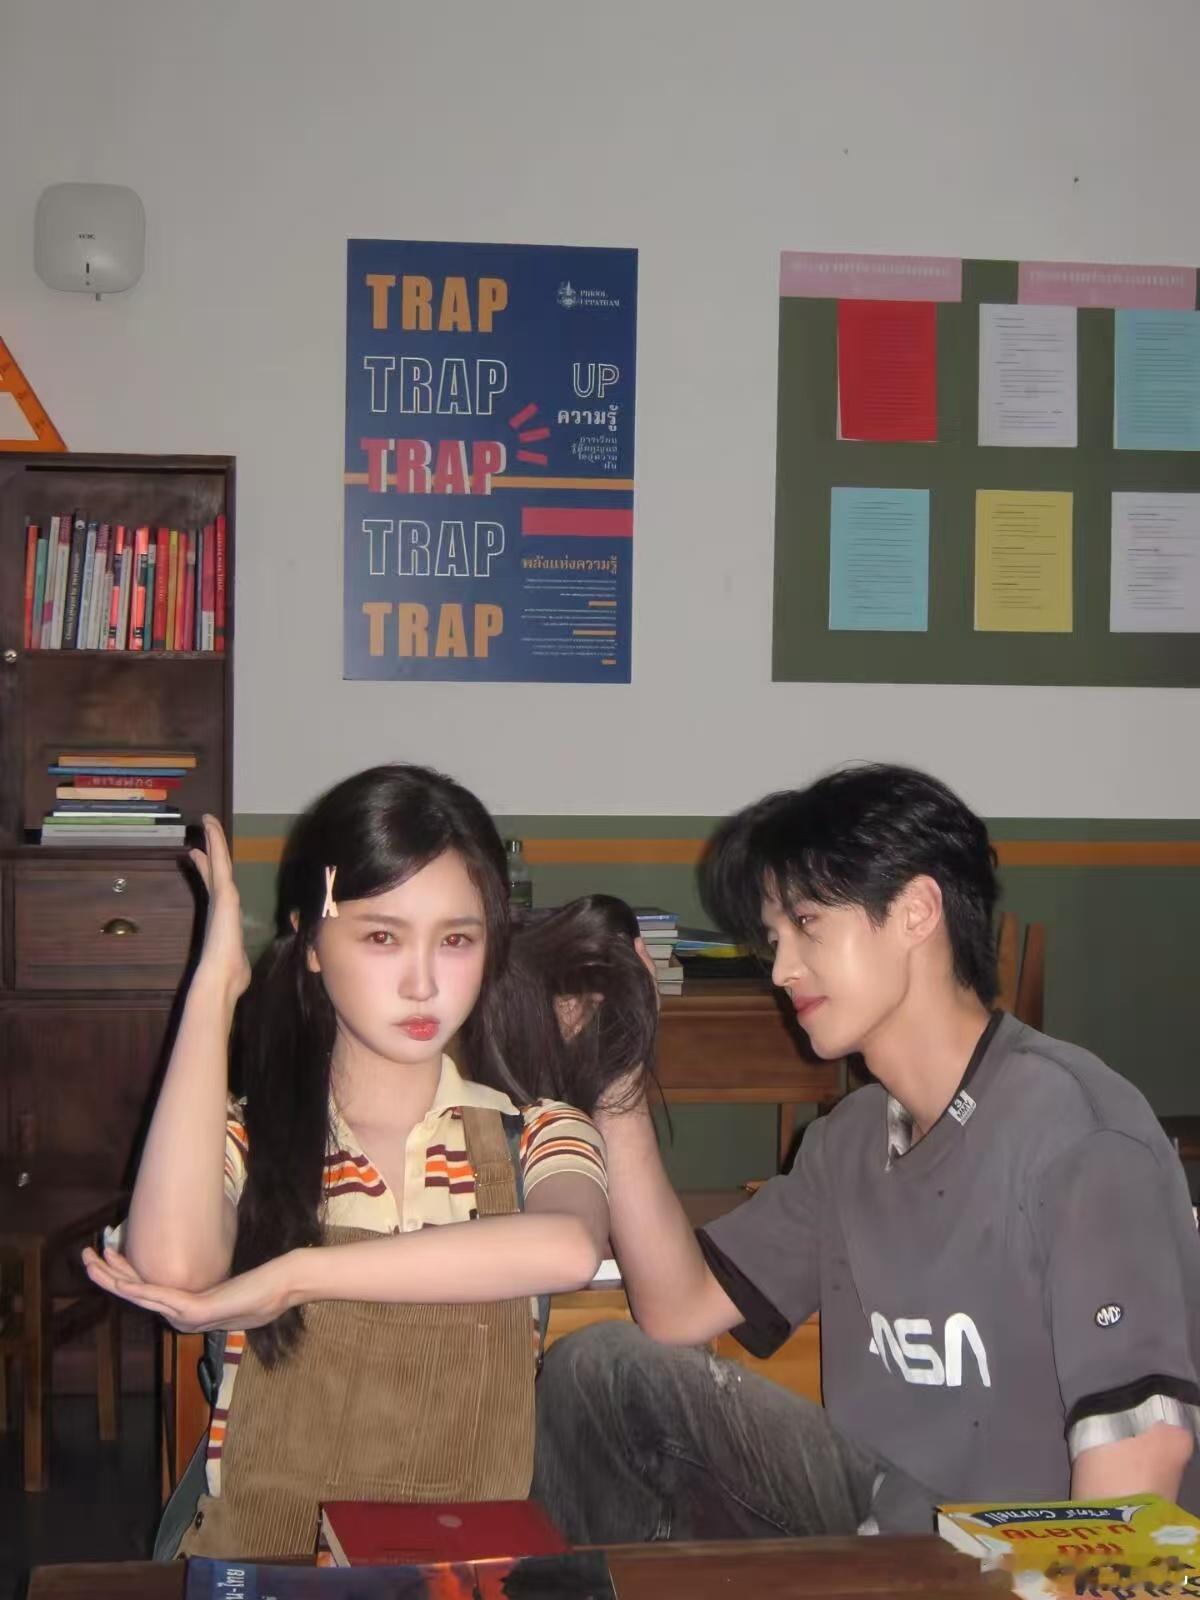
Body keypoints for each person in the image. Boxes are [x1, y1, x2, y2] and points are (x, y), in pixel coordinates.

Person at [532, 764, 1200, 1541]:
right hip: (886, 1519)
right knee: (599, 1373)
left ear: (916, 911)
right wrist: (616, 1086)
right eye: (775, 940)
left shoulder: (1078, 1134)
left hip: (1029, 1558)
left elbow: (1141, 1457)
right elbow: (679, 1309)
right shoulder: (850, 1138)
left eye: (807, 924)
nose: (781, 970)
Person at [82, 764, 610, 1558]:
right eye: (381, 936)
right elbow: (175, 1267)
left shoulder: (534, 1133)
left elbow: (568, 1247)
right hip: (264, 1565)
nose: (423, 983)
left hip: (459, 1569)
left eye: (457, 940)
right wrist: (216, 987)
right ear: (312, 944)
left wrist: (295, 1277)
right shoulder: (249, 1140)